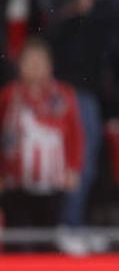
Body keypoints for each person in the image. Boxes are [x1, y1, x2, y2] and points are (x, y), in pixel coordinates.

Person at [0, 39, 83, 227]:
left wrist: (73, 168)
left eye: (40, 61)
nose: (35, 67)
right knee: (18, 234)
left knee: (49, 236)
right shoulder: (8, 96)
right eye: (30, 61)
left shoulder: (63, 95)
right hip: (16, 182)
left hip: (53, 181)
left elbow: (75, 135)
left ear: (50, 65)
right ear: (19, 65)